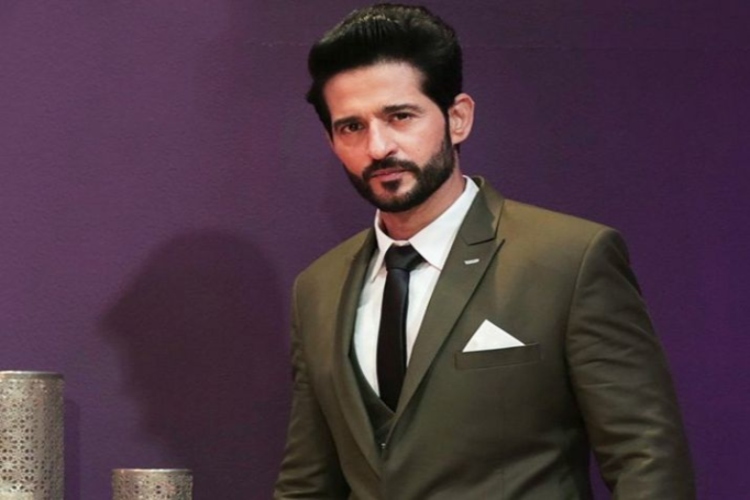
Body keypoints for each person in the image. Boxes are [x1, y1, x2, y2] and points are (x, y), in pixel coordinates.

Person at [274, 4, 694, 499]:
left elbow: (646, 459)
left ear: (457, 118)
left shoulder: (568, 259)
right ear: (331, 140)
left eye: (400, 116)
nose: (378, 146)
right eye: (352, 127)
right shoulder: (318, 289)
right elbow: (308, 482)